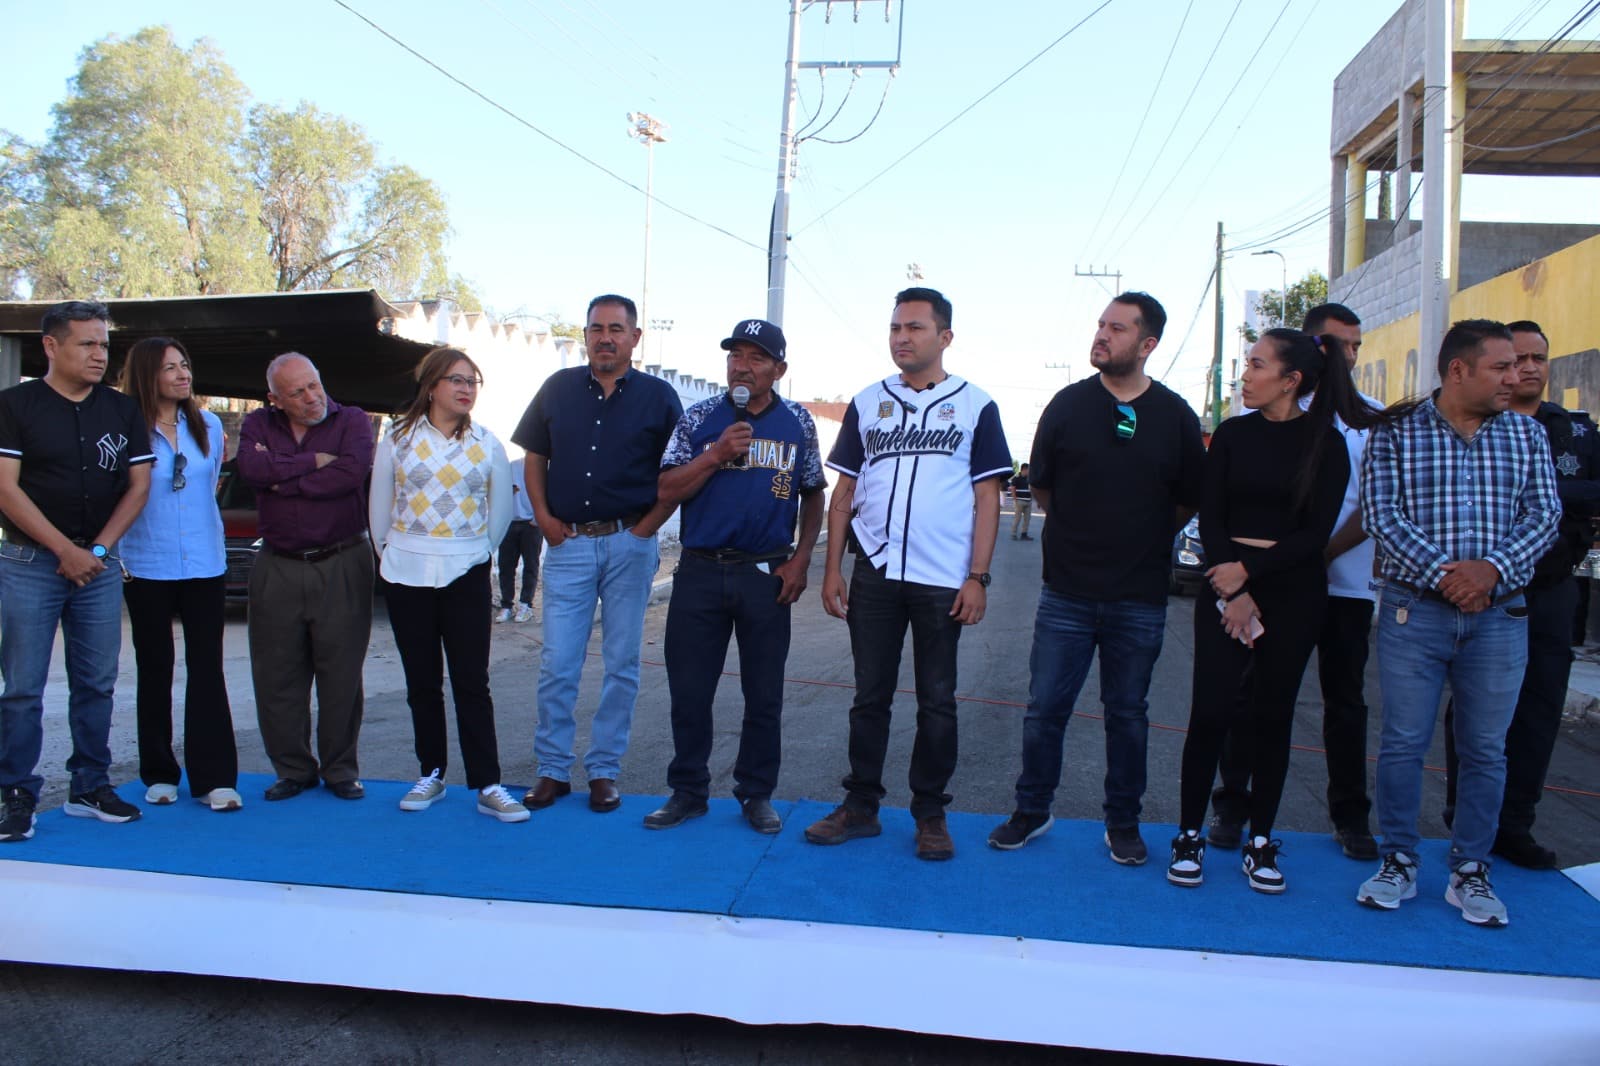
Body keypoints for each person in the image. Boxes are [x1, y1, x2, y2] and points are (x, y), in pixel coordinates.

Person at [987, 293, 1205, 864]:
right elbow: (1042, 487)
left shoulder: (1176, 415)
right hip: (1067, 593)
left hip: (1139, 596)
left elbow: (1187, 499)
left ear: (1147, 344)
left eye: (1117, 328)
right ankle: (1032, 811)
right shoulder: (1067, 406)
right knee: (1044, 710)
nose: (1103, 335)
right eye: (1101, 324)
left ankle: (1123, 822)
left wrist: (1140, 538)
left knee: (1128, 714)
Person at [1357, 319, 1559, 928]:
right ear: (1457, 371)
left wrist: (1491, 572)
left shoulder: (1526, 434)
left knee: (1485, 751)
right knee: (1402, 743)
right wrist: (1450, 575)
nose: (1517, 375)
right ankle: (1398, 859)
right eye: (1501, 367)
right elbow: (1380, 515)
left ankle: (1470, 868)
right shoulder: (1395, 434)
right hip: (1413, 611)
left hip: (1500, 616)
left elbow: (1544, 516)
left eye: (1522, 365)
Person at [1166, 329, 1379, 893]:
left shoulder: (1326, 445)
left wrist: (1251, 576)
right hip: (1223, 588)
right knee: (1211, 712)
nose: (1246, 375)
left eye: (1257, 365)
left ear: (1291, 380)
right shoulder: (1233, 435)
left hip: (1295, 592)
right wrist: (1232, 589)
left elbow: (1316, 533)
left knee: (1272, 716)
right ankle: (1188, 834)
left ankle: (1261, 840)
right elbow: (1212, 517)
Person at [807, 287, 1011, 861]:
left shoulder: (975, 404)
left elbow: (988, 497)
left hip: (943, 576)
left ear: (944, 337)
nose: (902, 337)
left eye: (915, 328)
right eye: (896, 327)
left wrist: (979, 575)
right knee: (868, 697)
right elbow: (843, 491)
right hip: (875, 568)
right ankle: (861, 806)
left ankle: (930, 813)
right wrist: (832, 570)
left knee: (937, 701)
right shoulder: (869, 401)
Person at [644, 319, 826, 834]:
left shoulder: (798, 423)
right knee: (690, 691)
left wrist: (802, 558)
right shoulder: (700, 418)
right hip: (701, 572)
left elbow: (814, 492)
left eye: (756, 358)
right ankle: (687, 792)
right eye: (735, 356)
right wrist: (716, 454)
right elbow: (666, 488)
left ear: (779, 369)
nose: (742, 367)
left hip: (766, 573)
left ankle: (756, 793)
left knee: (764, 694)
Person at [511, 294, 683, 814]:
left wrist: (645, 531)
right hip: (569, 546)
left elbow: (677, 473)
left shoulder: (659, 398)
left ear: (635, 337)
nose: (604, 337)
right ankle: (552, 770)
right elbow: (534, 455)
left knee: (622, 664)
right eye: (595, 328)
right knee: (558, 663)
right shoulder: (557, 390)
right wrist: (542, 518)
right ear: (585, 335)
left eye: (615, 328)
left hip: (631, 544)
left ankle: (605, 770)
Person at [1440, 320, 1599, 868]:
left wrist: (1557, 495)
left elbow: (1567, 500)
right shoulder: (1479, 424)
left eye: (1538, 358)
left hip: (1552, 592)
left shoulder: (1574, 431)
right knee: (1475, 713)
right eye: (1516, 359)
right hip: (1481, 594)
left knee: (1539, 708)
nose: (1527, 368)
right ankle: (1464, 817)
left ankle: (1515, 825)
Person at [0, 300, 152, 841]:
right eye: (86, 343)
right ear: (51, 346)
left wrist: (100, 552)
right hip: (29, 563)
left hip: (99, 566)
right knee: (21, 686)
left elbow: (139, 486)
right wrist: (65, 550)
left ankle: (90, 786)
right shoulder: (15, 405)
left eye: (103, 345)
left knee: (97, 682)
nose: (98, 354)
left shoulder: (121, 410)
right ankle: (14, 793)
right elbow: (5, 488)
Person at [370, 348, 526, 822]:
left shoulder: (488, 443)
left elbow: (499, 513)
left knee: (471, 682)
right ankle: (431, 773)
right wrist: (389, 553)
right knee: (422, 681)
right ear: (432, 385)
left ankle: (488, 783)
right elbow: (380, 505)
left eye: (472, 381)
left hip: (466, 573)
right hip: (406, 572)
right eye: (456, 380)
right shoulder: (397, 439)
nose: (465, 389)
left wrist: (478, 554)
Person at [237, 352, 376, 802]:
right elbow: (251, 470)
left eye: (314, 384)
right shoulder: (257, 425)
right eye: (297, 392)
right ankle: (293, 769)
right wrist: (314, 461)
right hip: (277, 564)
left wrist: (281, 480)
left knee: (340, 674)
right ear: (275, 398)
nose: (311, 397)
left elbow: (349, 474)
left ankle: (340, 770)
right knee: (276, 674)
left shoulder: (352, 420)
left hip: (342, 559)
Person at [116, 336, 242, 813]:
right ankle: (160, 772)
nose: (182, 374)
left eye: (185, 365)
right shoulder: (129, 426)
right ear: (148, 375)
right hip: (147, 563)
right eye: (170, 367)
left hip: (205, 564)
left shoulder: (207, 423)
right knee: (155, 668)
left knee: (207, 668)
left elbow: (206, 488)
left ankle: (215, 779)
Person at [495, 454, 541, 624]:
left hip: (532, 524)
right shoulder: (511, 466)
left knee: (531, 565)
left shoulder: (544, 466)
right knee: (506, 566)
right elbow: (497, 491)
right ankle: (506, 605)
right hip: (511, 522)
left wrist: (538, 519)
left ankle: (526, 605)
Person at [1009, 462, 1033, 540]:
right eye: (1028, 470)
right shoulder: (1016, 478)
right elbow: (1013, 488)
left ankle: (1024, 534)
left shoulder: (1029, 478)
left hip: (1028, 501)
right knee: (1017, 518)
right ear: (1024, 469)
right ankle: (1013, 534)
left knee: (1027, 519)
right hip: (1019, 501)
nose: (1029, 471)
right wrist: (1015, 499)